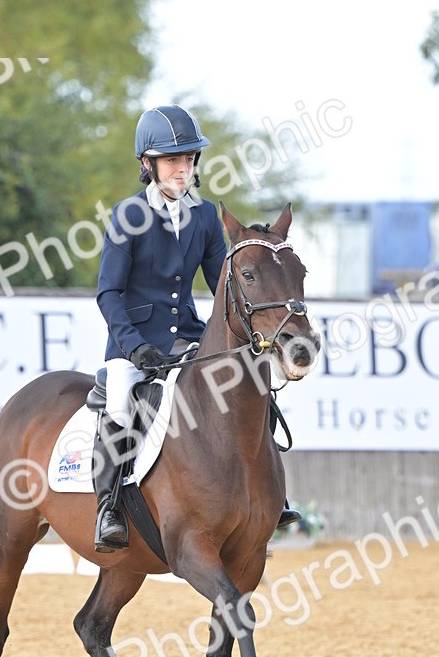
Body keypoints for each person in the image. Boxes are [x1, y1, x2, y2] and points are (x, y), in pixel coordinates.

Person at [92, 103, 300, 552]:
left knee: (248, 384)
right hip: (134, 346)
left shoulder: (205, 217)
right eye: (173, 160)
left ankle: (270, 496)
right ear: (148, 165)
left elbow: (221, 283)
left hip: (187, 338)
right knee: (121, 406)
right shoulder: (128, 216)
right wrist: (133, 348)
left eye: (188, 159)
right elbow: (108, 293)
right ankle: (108, 509)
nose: (182, 168)